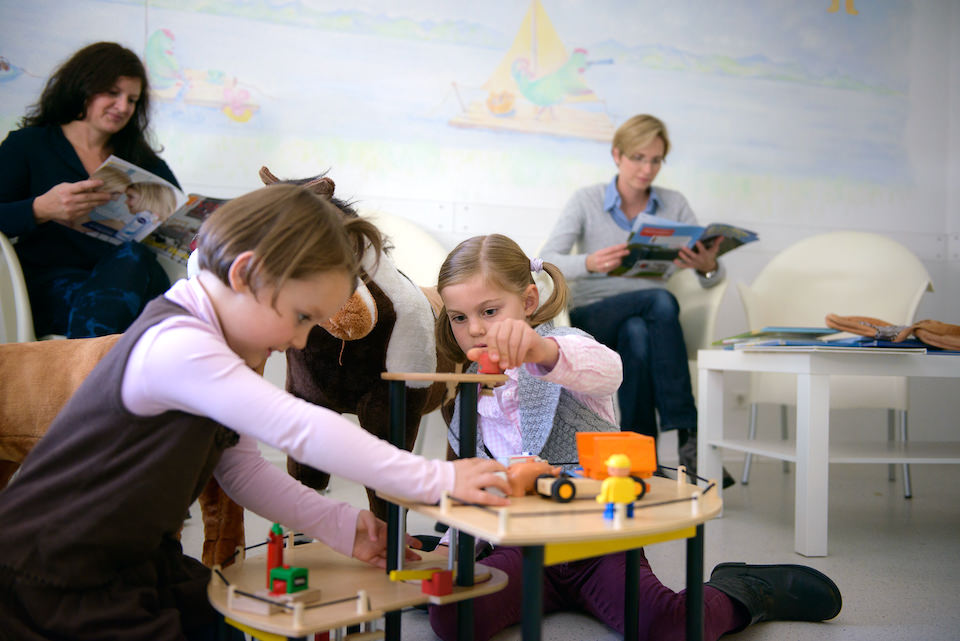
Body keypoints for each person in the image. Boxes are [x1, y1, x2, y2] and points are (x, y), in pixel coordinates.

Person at [0, 184, 510, 640]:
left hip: (134, 559)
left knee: (220, 616)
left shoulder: (218, 359)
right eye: (302, 317)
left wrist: (341, 524)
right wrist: (437, 479)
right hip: (56, 568)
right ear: (245, 275)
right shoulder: (178, 345)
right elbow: (302, 428)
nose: (300, 339)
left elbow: (242, 470)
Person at [428, 233, 842, 641]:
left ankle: (745, 587)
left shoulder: (562, 349)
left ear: (529, 302)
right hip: (524, 548)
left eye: (490, 311)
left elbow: (610, 370)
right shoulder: (470, 391)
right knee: (452, 619)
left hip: (598, 542)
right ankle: (539, 590)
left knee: (671, 628)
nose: (476, 330)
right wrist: (447, 548)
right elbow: (474, 485)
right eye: (460, 318)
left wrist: (540, 351)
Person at [540, 113, 729, 484]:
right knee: (661, 301)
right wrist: (589, 262)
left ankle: (644, 460)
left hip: (647, 321)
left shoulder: (673, 204)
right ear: (617, 156)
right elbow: (546, 260)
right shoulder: (587, 200)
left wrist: (708, 266)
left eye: (655, 160)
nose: (647, 169)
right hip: (593, 314)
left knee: (639, 334)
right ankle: (688, 431)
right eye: (638, 158)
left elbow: (712, 280)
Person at [0, 42, 177, 338]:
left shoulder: (144, 163)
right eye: (112, 93)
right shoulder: (27, 146)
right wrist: (40, 209)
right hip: (53, 285)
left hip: (132, 283)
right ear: (82, 87)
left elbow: (176, 214)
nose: (123, 107)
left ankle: (87, 371)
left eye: (132, 100)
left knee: (136, 259)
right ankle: (96, 371)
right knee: (136, 272)